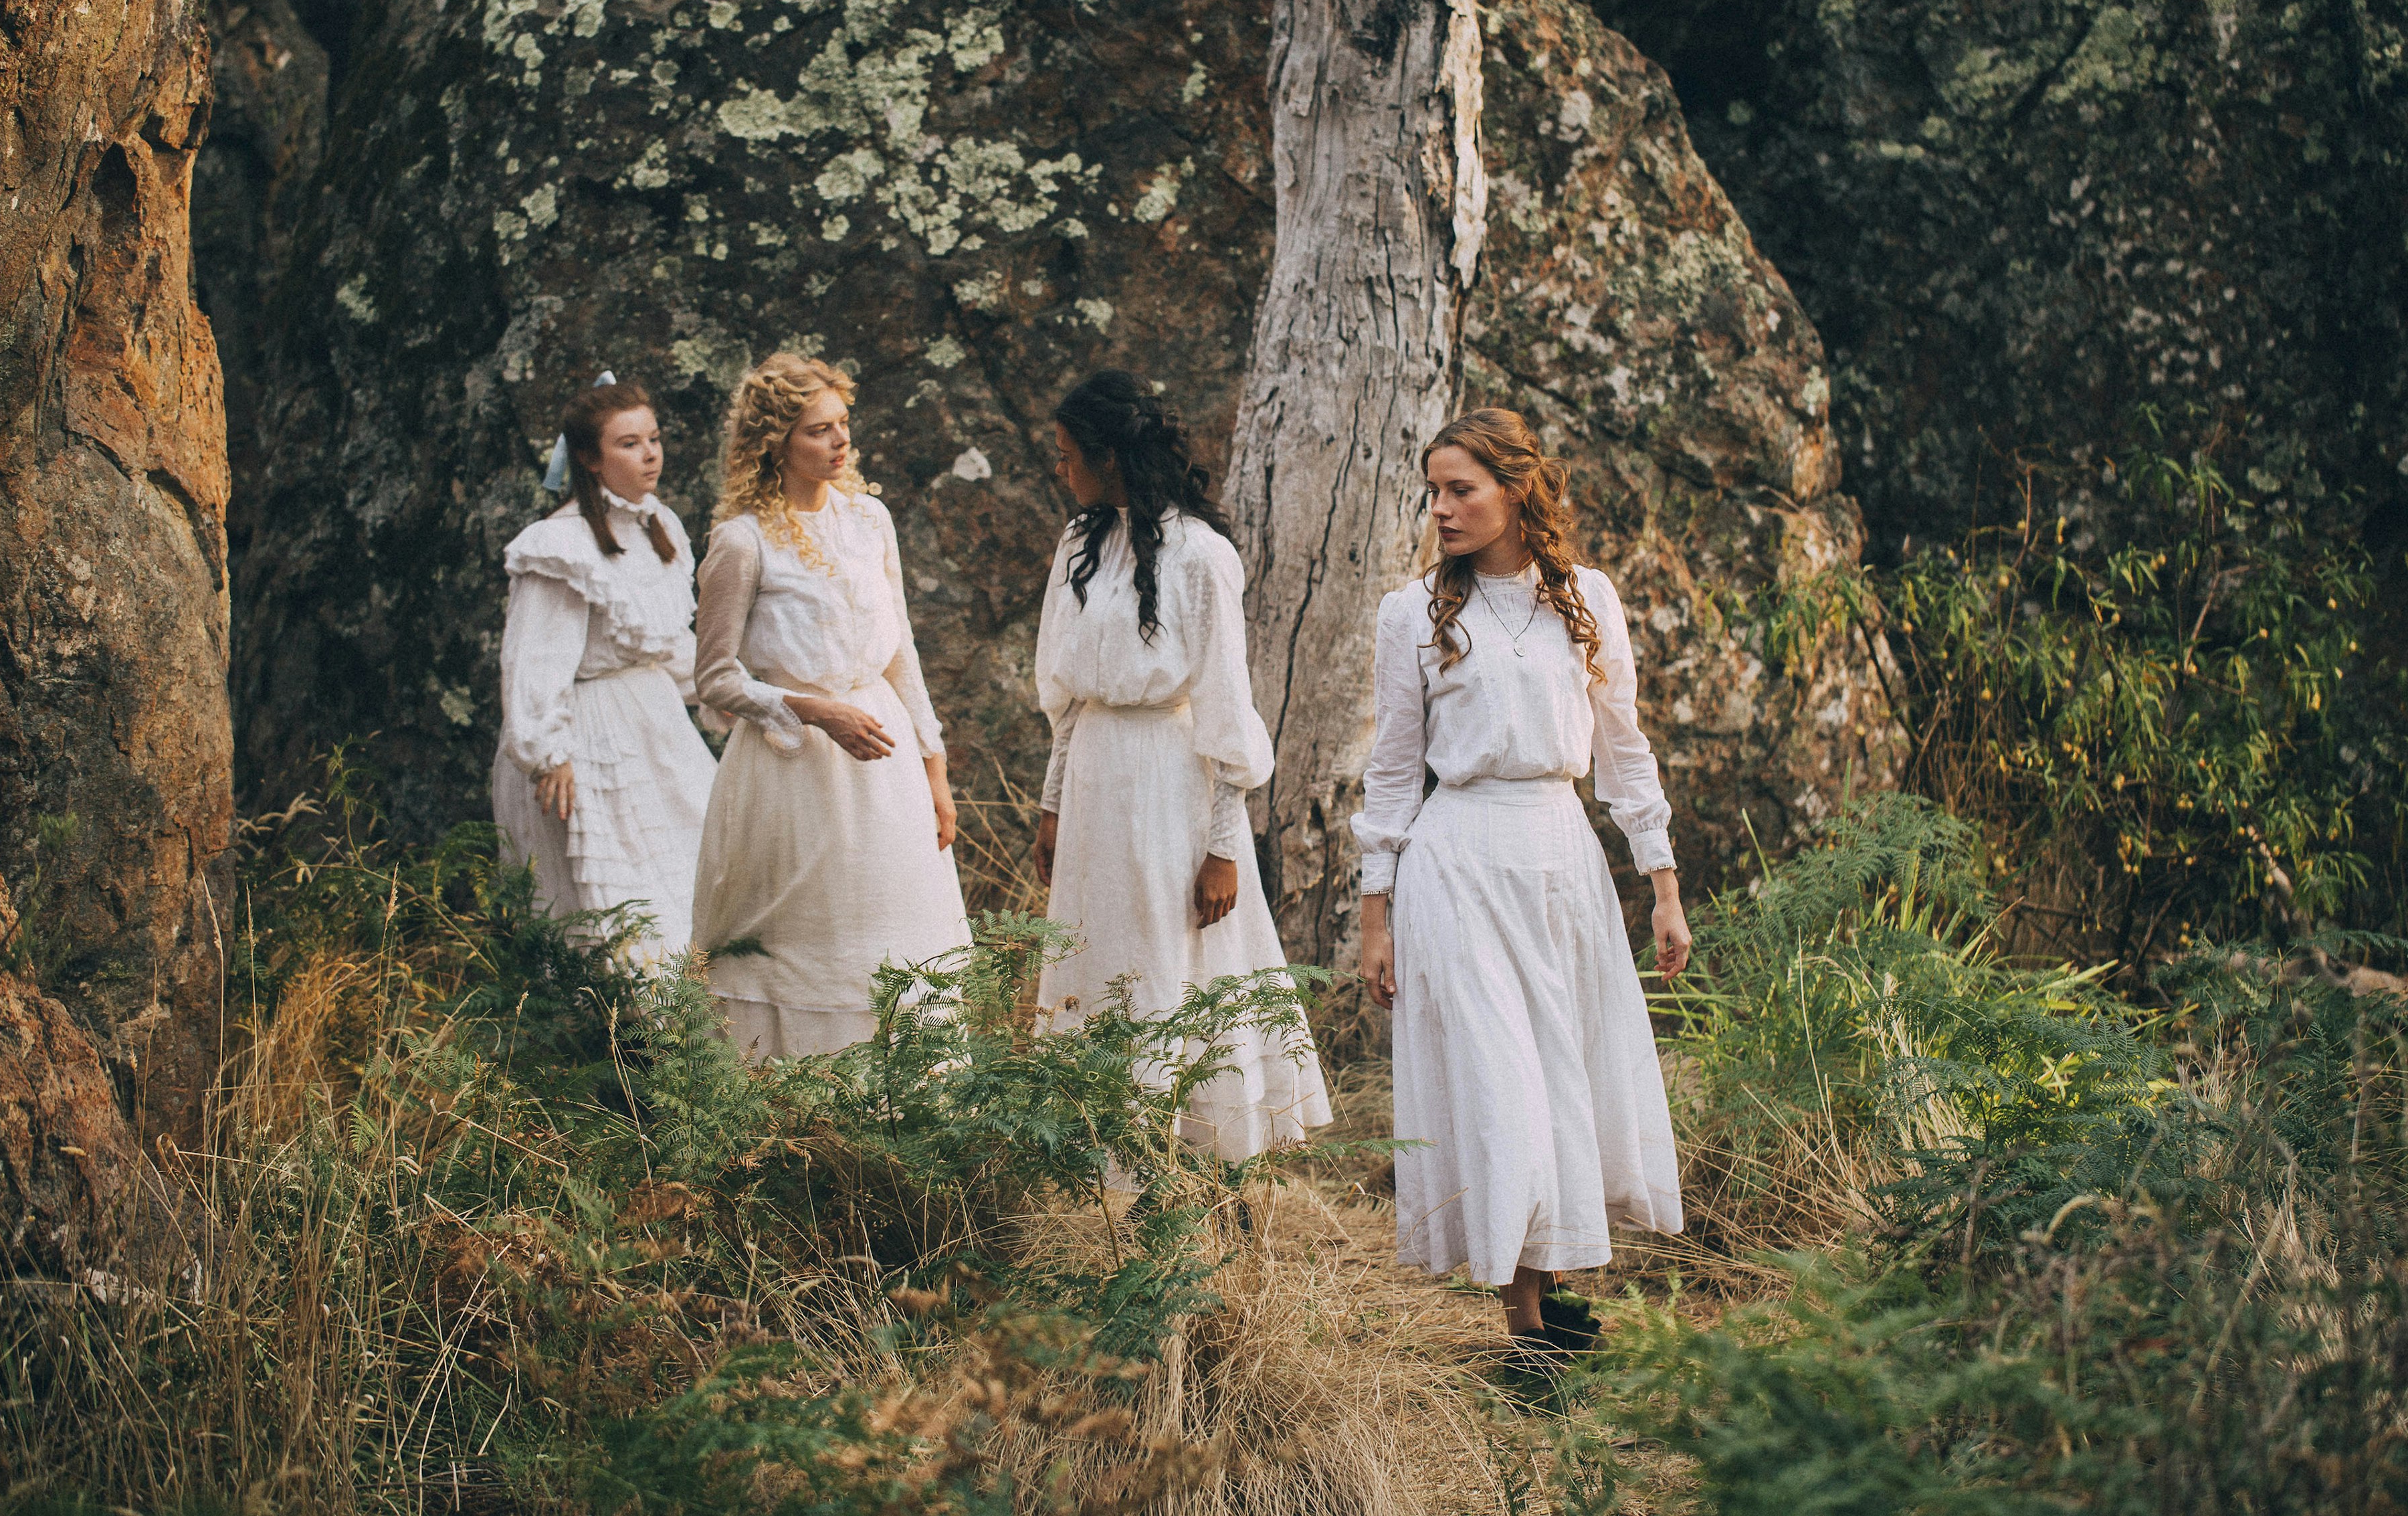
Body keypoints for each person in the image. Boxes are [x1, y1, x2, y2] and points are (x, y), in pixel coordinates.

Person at [1350, 407, 1692, 1348]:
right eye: (1434, 491)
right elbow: (1392, 773)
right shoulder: (1409, 613)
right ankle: (1527, 1324)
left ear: (1517, 489)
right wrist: (1374, 917)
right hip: (1458, 859)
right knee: (1499, 1077)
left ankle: (1546, 1289)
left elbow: (1623, 752)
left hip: (1559, 853)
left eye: (1462, 489)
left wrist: (1660, 884)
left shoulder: (1586, 597)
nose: (1442, 509)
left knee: (1560, 1075)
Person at [1032, 372, 1332, 1159]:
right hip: (1096, 770)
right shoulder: (1081, 545)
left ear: (1109, 455)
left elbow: (1226, 707)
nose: (1063, 473)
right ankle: (1110, 1152)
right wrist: (1053, 800)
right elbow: (1064, 693)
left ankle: (1195, 1151)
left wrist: (1225, 845)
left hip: (1168, 782)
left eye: (1070, 458)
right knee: (1097, 954)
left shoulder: (1202, 557)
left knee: (1175, 959)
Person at [689, 353, 969, 1057]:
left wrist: (934, 768)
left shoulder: (870, 520)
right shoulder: (742, 540)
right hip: (793, 771)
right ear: (775, 441)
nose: (839, 441)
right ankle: (796, 1109)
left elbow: (900, 648)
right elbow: (715, 676)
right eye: (818, 430)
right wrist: (814, 709)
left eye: (843, 424)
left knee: (896, 928)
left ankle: (911, 1102)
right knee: (807, 940)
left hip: (885, 760)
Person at [493, 377, 718, 975]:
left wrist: (726, 693)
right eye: (628, 444)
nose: (650, 455)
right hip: (586, 734)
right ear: (590, 459)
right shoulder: (560, 546)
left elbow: (665, 643)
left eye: (654, 439)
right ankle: (623, 1043)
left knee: (702, 862)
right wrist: (549, 752)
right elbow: (534, 659)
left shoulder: (656, 526)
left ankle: (709, 1040)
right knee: (616, 901)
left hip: (655, 723)